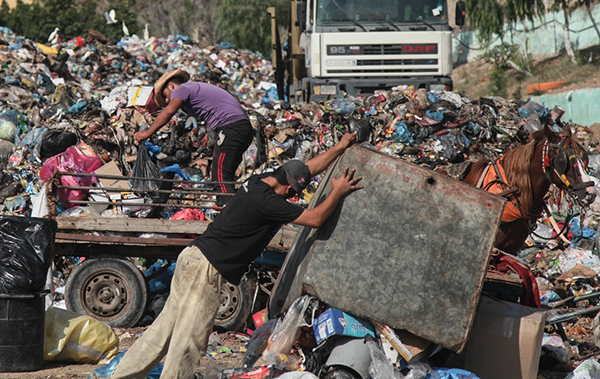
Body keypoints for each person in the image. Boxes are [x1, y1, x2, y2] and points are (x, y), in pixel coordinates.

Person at [108, 132, 362, 379]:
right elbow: (315, 219)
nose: (292, 197)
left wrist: (339, 148)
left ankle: (122, 376)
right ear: (286, 187)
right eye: (292, 192)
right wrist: (338, 191)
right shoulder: (270, 203)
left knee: (161, 332)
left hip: (193, 257)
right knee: (190, 340)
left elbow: (305, 168)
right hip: (206, 270)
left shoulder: (260, 181)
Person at [135, 69, 254, 206]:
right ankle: (231, 208)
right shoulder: (193, 89)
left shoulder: (182, 89)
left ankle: (230, 211)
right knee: (224, 175)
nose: (168, 100)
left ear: (171, 85)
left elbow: (169, 111)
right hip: (242, 128)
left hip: (233, 128)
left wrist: (148, 132)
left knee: (220, 175)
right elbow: (214, 108)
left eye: (165, 95)